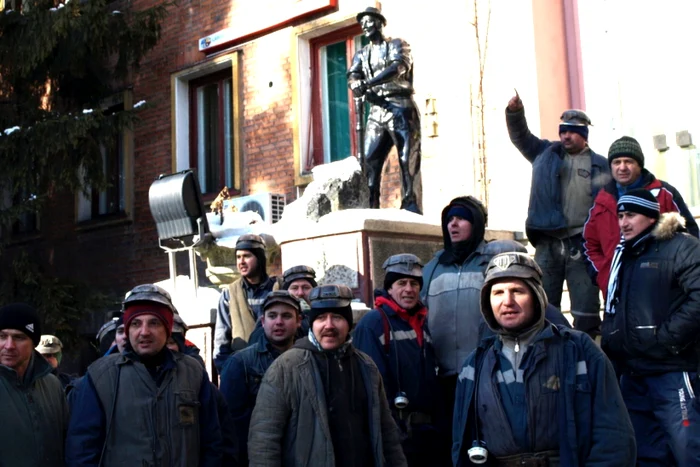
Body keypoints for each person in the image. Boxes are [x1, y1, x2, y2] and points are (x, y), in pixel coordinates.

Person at [452, 252, 636, 466]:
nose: (507, 301)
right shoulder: (474, 365)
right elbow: (460, 445)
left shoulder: (579, 350)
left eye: (517, 291)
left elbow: (614, 436)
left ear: (537, 296)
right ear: (487, 301)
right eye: (498, 292)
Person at [421, 196, 563, 425]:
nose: (453, 225)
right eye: (449, 220)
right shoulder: (432, 268)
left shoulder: (493, 263)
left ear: (476, 223)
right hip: (443, 378)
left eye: (461, 219)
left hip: (488, 373)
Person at [248, 284, 407, 466]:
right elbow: (264, 441)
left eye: (337, 317)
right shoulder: (286, 368)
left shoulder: (367, 367)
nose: (329, 325)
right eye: (321, 318)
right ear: (312, 323)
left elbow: (387, 434)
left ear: (349, 322)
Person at [66, 284, 223, 466]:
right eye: (135, 323)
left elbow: (212, 442)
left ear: (167, 328)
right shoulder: (100, 376)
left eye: (154, 323)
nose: (144, 332)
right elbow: (82, 449)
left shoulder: (193, 373)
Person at [602, 189, 700, 466]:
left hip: (672, 370)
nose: (623, 223)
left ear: (649, 216)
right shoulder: (626, 254)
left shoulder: (682, 246)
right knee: (645, 454)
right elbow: (615, 307)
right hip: (633, 372)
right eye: (620, 216)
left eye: (630, 215)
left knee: (688, 451)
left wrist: (667, 339)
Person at [506, 93, 609, 337]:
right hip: (548, 243)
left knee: (586, 308)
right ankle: (547, 351)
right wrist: (515, 113)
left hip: (582, 244)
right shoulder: (544, 152)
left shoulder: (601, 165)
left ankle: (586, 354)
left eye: (572, 131)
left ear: (583, 135)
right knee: (541, 304)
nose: (565, 136)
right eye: (563, 131)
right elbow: (520, 136)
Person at [353, 253, 445, 466]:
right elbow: (372, 385)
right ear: (389, 288)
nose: (409, 289)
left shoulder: (422, 321)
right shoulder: (373, 323)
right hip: (398, 433)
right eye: (401, 282)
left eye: (414, 283)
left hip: (427, 433)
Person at [584, 135, 699, 298]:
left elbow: (691, 237)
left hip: (662, 294)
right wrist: (603, 275)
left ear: (640, 165)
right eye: (617, 162)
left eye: (628, 161)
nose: (622, 167)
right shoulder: (601, 200)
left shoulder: (665, 194)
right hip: (617, 293)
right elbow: (588, 243)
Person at [347, 6, 422, 214]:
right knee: (369, 161)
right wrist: (355, 83)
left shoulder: (398, 44)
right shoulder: (362, 54)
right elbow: (352, 74)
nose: (365, 26)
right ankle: (370, 207)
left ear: (379, 23)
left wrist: (368, 83)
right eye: (362, 24)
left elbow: (398, 67)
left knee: (408, 159)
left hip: (401, 107)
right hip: (377, 110)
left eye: (369, 22)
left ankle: (411, 205)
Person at [220, 291, 302, 466]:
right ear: (263, 322)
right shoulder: (239, 363)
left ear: (298, 321)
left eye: (286, 316)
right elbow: (231, 426)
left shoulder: (307, 360)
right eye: (272, 316)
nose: (279, 322)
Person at [0, 303, 69, 467]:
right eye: (2, 336)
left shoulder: (53, 386)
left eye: (19, 337)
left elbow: (67, 441)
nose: (9, 346)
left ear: (33, 343)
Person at [214, 233, 276, 373]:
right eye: (238, 257)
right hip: (244, 372)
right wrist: (225, 371)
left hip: (277, 369)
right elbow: (221, 340)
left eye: (247, 256)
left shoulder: (278, 288)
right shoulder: (229, 294)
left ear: (259, 258)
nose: (241, 262)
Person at [247, 264, 316, 344]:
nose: (300, 293)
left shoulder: (323, 318)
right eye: (294, 288)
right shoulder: (267, 322)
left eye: (306, 288)